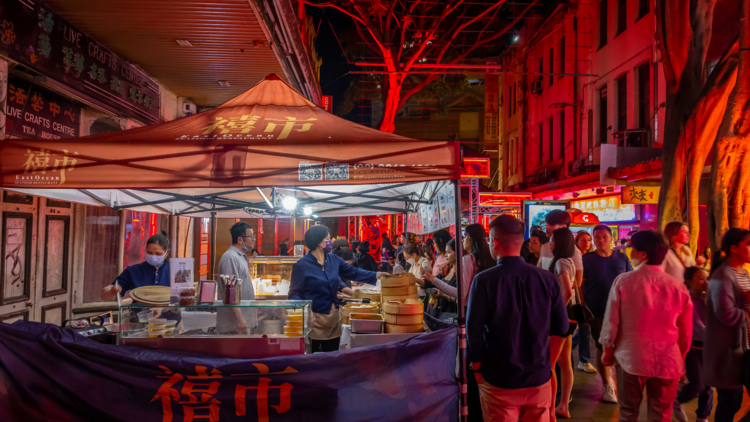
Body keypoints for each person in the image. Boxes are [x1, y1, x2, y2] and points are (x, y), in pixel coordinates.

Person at [467, 215, 568, 422]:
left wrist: (476, 369)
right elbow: (561, 327)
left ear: (494, 242)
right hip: (538, 379)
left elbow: (473, 331)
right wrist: (547, 366)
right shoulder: (546, 278)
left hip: (499, 379)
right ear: (521, 240)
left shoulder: (483, 281)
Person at [600, 230, 693, 422]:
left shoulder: (624, 281)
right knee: (661, 415)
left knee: (627, 412)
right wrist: (681, 357)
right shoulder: (678, 287)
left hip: (631, 358)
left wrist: (607, 349)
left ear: (643, 254)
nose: (629, 252)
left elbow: (612, 321)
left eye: (632, 248)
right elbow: (685, 332)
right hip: (668, 359)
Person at [289, 225, 384, 352]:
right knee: (316, 360)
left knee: (333, 356)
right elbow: (294, 294)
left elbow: (353, 272)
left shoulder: (333, 259)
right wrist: (305, 310)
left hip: (333, 320)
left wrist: (377, 275)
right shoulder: (302, 265)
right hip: (315, 321)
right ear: (318, 242)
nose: (330, 243)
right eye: (327, 239)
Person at [582, 224, 633, 402]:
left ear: (612, 238)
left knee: (621, 347)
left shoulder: (622, 258)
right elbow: (581, 284)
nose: (601, 240)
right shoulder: (586, 259)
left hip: (622, 310)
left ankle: (619, 381)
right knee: (602, 345)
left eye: (604, 237)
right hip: (596, 309)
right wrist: (583, 306)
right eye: (597, 237)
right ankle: (606, 386)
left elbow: (629, 280)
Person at [704, 228, 750, 422]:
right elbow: (726, 314)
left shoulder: (744, 273)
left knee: (733, 400)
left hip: (743, 347)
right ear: (734, 248)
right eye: (748, 244)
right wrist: (747, 312)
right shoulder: (721, 275)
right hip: (728, 351)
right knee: (730, 401)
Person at [673, 266, 713, 422]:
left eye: (707, 278)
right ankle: (677, 401)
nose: (705, 282)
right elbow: (697, 325)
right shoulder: (687, 300)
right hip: (692, 348)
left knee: (709, 386)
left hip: (708, 347)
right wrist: (715, 338)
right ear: (689, 282)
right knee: (698, 385)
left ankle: (702, 417)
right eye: (701, 278)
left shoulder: (707, 298)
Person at [547, 228, 577, 419]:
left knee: (549, 365)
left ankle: (550, 409)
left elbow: (567, 291)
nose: (550, 243)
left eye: (551, 240)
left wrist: (554, 313)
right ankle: (563, 405)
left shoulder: (560, 262)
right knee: (564, 363)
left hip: (562, 317)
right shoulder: (570, 261)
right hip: (570, 315)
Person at [101, 231, 172, 301]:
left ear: (167, 252)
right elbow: (104, 296)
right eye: (150, 253)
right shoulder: (133, 271)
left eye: (158, 253)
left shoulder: (175, 270)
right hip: (139, 312)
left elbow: (181, 298)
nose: (153, 256)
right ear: (145, 250)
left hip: (169, 312)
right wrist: (112, 292)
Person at [216, 222, 257, 334]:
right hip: (234, 325)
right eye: (251, 236)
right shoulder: (231, 258)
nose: (254, 239)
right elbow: (231, 293)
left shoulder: (241, 257)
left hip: (243, 321)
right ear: (240, 240)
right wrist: (240, 320)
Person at [538, 211, 583, 292]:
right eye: (547, 223)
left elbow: (578, 281)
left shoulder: (573, 250)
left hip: (562, 301)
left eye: (551, 224)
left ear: (563, 227)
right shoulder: (544, 247)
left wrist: (556, 290)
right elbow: (539, 271)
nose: (547, 227)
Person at [572, 230, 596, 374]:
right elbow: (579, 282)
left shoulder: (589, 257)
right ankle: (584, 360)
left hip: (588, 298)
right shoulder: (576, 257)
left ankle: (582, 358)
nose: (586, 242)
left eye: (588, 239)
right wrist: (581, 301)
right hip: (579, 300)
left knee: (584, 328)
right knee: (584, 328)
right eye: (583, 239)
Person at [420, 240, 457, 318]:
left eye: (449, 252)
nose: (446, 255)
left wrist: (444, 296)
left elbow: (461, 299)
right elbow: (432, 282)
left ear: (458, 253)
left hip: (451, 315)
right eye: (446, 252)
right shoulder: (447, 270)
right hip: (440, 312)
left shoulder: (461, 275)